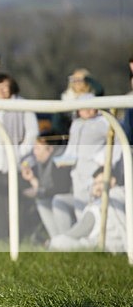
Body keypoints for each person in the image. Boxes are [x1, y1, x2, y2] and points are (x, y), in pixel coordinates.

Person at [0, 73, 38, 240]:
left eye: (5, 86)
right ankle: (4, 238)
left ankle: (19, 238)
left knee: (17, 204)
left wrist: (18, 154)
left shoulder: (22, 105)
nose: (1, 90)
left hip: (18, 164)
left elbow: (32, 134)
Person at [50, 100, 111, 235]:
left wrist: (102, 157)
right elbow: (72, 147)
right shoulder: (76, 124)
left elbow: (115, 143)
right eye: (84, 107)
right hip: (77, 172)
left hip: (94, 173)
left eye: (91, 107)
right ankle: (72, 242)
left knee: (92, 208)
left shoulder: (103, 122)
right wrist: (64, 159)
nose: (88, 110)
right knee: (79, 208)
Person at [49, 167, 127, 253]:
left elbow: (79, 231)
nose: (97, 187)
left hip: (104, 247)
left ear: (112, 180)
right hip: (115, 246)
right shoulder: (123, 195)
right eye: (95, 184)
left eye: (101, 183)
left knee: (57, 242)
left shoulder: (100, 205)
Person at [20, 138, 71, 241]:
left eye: (38, 148)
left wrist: (39, 192)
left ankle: (65, 240)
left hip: (71, 197)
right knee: (42, 202)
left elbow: (61, 189)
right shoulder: (41, 163)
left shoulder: (60, 159)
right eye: (34, 148)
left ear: (50, 149)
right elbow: (45, 187)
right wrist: (32, 179)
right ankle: (56, 240)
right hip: (56, 197)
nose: (35, 152)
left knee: (57, 201)